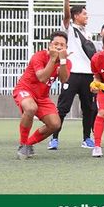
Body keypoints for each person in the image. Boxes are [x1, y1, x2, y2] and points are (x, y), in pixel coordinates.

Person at [50, 0, 97, 150]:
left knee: (88, 108)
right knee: (63, 107)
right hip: (71, 74)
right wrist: (66, 1)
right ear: (76, 16)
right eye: (84, 14)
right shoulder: (69, 29)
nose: (87, 16)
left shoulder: (88, 33)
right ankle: (54, 138)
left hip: (88, 75)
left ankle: (86, 138)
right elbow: (66, 16)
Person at [14, 31, 71, 159]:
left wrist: (62, 61)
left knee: (55, 124)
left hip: (42, 97)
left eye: (62, 45)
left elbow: (64, 80)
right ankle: (22, 144)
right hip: (25, 89)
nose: (59, 47)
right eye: (56, 44)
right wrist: (52, 58)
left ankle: (28, 144)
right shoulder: (38, 56)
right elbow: (42, 77)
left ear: (66, 48)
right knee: (30, 108)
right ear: (49, 45)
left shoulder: (66, 62)